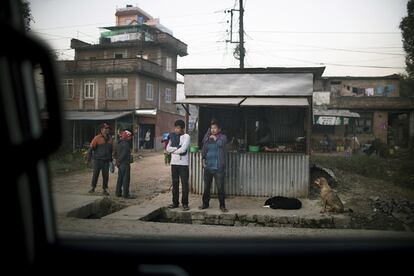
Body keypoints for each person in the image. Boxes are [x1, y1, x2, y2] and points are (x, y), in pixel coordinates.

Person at [200, 120, 228, 212]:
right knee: (207, 187)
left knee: (220, 187)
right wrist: (203, 161)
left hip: (218, 168)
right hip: (208, 167)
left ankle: (222, 206)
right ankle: (205, 204)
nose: (213, 130)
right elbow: (204, 150)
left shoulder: (223, 137)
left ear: (219, 129)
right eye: (212, 128)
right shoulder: (207, 138)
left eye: (215, 128)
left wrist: (216, 139)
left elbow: (221, 144)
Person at [166, 120, 191, 211]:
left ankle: (185, 204)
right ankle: (175, 203)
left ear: (183, 128)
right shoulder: (172, 137)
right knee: (175, 184)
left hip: (183, 165)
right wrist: (177, 148)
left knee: (184, 184)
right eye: (175, 128)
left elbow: (183, 150)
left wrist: (174, 150)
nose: (176, 130)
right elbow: (167, 148)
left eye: (178, 128)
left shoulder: (186, 137)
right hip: (174, 164)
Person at [87, 123, 113, 195]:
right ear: (101, 130)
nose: (107, 130)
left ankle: (105, 189)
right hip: (97, 160)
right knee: (95, 174)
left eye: (108, 128)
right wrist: (88, 160)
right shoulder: (97, 138)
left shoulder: (110, 138)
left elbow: (111, 151)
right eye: (105, 128)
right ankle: (93, 188)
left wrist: (111, 161)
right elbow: (91, 149)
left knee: (105, 176)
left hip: (106, 161)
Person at [114, 130, 133, 198]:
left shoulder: (118, 143)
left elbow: (115, 153)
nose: (131, 138)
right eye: (130, 136)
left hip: (120, 164)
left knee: (120, 179)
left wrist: (117, 161)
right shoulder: (126, 144)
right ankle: (125, 194)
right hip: (125, 163)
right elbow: (124, 154)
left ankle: (118, 193)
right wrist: (119, 161)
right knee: (126, 179)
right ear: (127, 137)